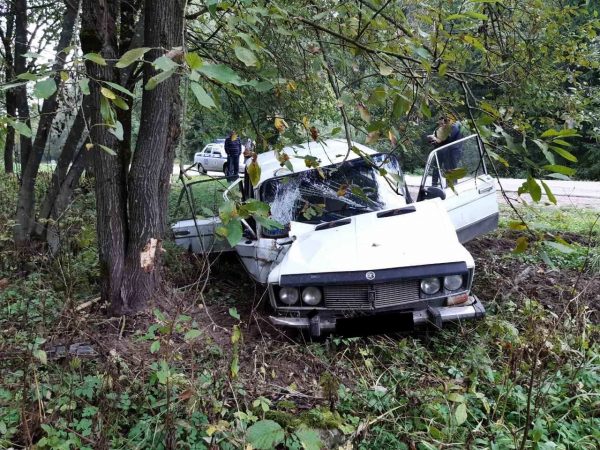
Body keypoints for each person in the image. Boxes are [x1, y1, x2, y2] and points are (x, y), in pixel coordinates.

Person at [426, 116, 464, 186]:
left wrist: (434, 138)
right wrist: (432, 140)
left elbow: (443, 139)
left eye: (442, 124)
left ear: (447, 122)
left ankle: (452, 184)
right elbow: (437, 140)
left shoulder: (454, 128)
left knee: (450, 168)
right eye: (439, 124)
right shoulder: (440, 129)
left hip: (453, 152)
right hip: (442, 150)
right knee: (436, 166)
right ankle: (434, 184)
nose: (440, 125)